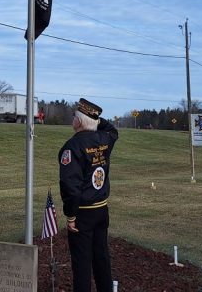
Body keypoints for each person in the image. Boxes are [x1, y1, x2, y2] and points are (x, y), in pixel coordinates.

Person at [58, 98, 119, 292]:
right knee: (101, 257)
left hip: (82, 212)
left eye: (74, 117)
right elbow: (113, 131)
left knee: (82, 262)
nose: (72, 120)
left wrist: (71, 215)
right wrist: (96, 120)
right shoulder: (104, 139)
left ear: (78, 122)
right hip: (101, 209)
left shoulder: (72, 147)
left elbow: (70, 186)